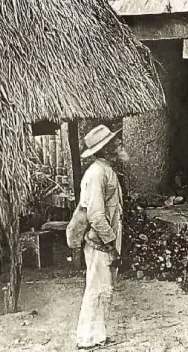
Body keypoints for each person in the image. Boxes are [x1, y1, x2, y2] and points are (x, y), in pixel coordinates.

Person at [75, 124, 128, 349]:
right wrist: (110, 243)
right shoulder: (97, 174)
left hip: (105, 241)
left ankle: (98, 335)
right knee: (95, 289)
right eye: (114, 143)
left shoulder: (105, 170)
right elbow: (96, 215)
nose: (119, 144)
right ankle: (86, 338)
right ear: (106, 149)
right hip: (100, 242)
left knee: (104, 288)